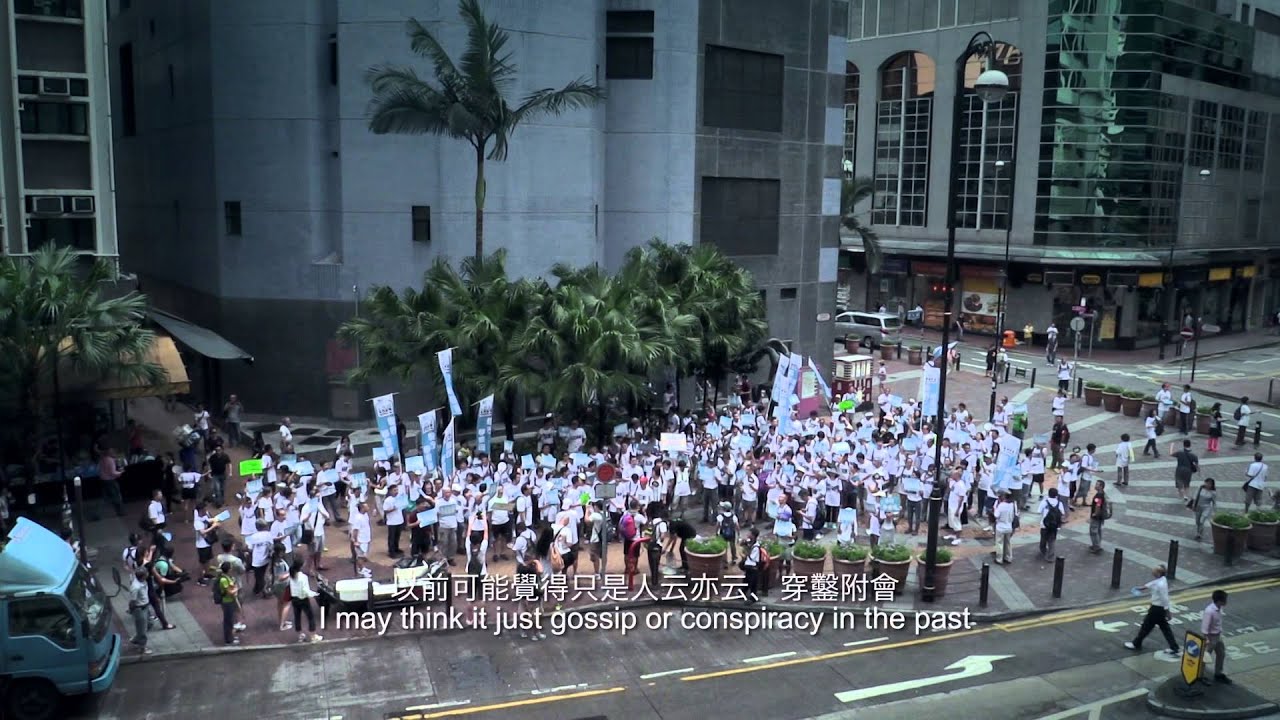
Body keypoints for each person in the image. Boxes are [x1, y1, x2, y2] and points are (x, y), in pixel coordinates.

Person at [1123, 565, 1181, 657]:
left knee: (1146, 626)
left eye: (1154, 571)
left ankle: (1136, 644)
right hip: (1158, 609)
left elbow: (1165, 599)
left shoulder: (1161, 585)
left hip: (1157, 609)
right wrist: (1141, 588)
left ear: (1158, 573)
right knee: (1165, 628)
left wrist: (1168, 612)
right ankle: (1174, 647)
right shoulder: (1162, 579)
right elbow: (1152, 583)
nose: (1152, 572)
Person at [288, 559, 322, 643]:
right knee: (310, 616)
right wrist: (314, 594)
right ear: (301, 566)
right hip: (303, 599)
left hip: (294, 598)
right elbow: (305, 589)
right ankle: (313, 636)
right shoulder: (303, 577)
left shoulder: (291, 574)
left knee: (297, 616)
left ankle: (300, 635)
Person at [1201, 590, 1230, 685]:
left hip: (1218, 636)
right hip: (1210, 637)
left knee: (1221, 654)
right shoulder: (1209, 611)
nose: (1226, 601)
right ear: (1219, 601)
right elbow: (1205, 627)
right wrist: (1206, 639)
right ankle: (1200, 676)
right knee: (1204, 657)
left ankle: (1218, 673)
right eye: (1225, 600)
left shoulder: (1219, 608)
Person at [127, 568, 152, 655]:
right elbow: (132, 601)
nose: (148, 574)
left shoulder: (143, 582)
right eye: (146, 573)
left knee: (149, 623)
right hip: (139, 609)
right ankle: (142, 647)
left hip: (145, 606)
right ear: (143, 576)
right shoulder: (136, 587)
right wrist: (132, 610)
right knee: (142, 629)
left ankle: (136, 638)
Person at [216, 561, 241, 646]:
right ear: (229, 569)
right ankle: (228, 640)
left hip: (230, 601)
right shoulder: (223, 580)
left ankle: (231, 636)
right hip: (227, 602)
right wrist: (236, 589)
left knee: (231, 619)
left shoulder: (227, 577)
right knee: (228, 621)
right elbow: (230, 592)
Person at [1037, 488, 1065, 562]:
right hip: (1055, 525)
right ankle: (1050, 557)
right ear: (1056, 495)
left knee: (1043, 540)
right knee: (1052, 541)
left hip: (1044, 525)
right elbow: (1062, 513)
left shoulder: (1044, 502)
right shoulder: (1059, 503)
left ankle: (1044, 551)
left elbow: (1039, 511)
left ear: (1048, 494)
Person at [992, 491, 1017, 565]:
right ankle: (1008, 557)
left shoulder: (1001, 505)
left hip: (1000, 527)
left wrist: (995, 509)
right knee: (1008, 543)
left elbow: (996, 515)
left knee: (999, 543)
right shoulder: (1013, 504)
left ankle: (999, 559)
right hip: (1009, 526)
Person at [740, 528, 763, 603]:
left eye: (749, 533)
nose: (747, 534)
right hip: (748, 566)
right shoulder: (750, 543)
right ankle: (742, 593)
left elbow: (752, 557)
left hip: (753, 567)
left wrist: (746, 551)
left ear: (753, 535)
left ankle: (753, 598)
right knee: (746, 581)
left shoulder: (756, 546)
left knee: (753, 583)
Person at [1088, 479, 1109, 554]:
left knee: (1094, 531)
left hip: (1097, 516)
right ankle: (1097, 545)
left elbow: (1098, 504)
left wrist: (1095, 513)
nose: (1095, 485)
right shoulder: (1102, 493)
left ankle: (1096, 547)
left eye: (1097, 484)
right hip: (1101, 516)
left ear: (1101, 486)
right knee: (1098, 530)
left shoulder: (1099, 495)